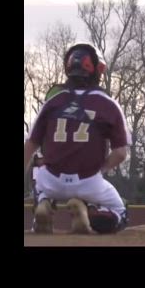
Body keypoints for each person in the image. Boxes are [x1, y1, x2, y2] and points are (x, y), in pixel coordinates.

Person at [23, 43, 130, 234]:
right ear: (95, 71)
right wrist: (100, 171)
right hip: (88, 181)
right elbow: (121, 153)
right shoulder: (107, 104)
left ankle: (43, 203)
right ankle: (92, 215)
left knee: (40, 185)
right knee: (120, 210)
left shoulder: (53, 102)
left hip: (52, 180)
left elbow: (30, 145)